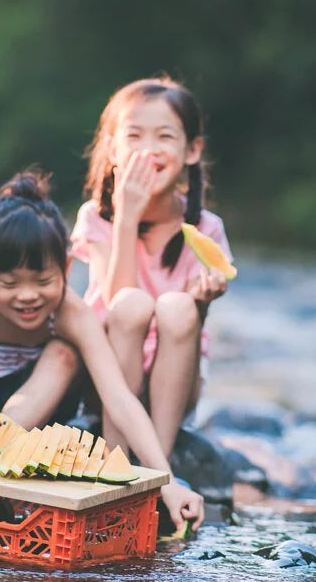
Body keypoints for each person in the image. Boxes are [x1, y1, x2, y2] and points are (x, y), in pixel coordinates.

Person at [0, 171, 204, 531]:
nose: (27, 296)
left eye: (43, 281)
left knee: (65, 354)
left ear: (66, 267)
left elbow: (118, 396)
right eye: (9, 283)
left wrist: (168, 480)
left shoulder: (71, 315)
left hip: (27, 408)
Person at [71, 76, 231, 462]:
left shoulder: (206, 228)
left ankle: (157, 470)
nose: (148, 150)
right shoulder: (98, 217)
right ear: (112, 150)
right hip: (107, 371)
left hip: (174, 381)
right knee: (131, 303)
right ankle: (114, 460)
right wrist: (126, 217)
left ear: (192, 150)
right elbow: (116, 304)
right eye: (134, 136)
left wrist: (203, 300)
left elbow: (191, 324)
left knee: (178, 306)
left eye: (163, 137)